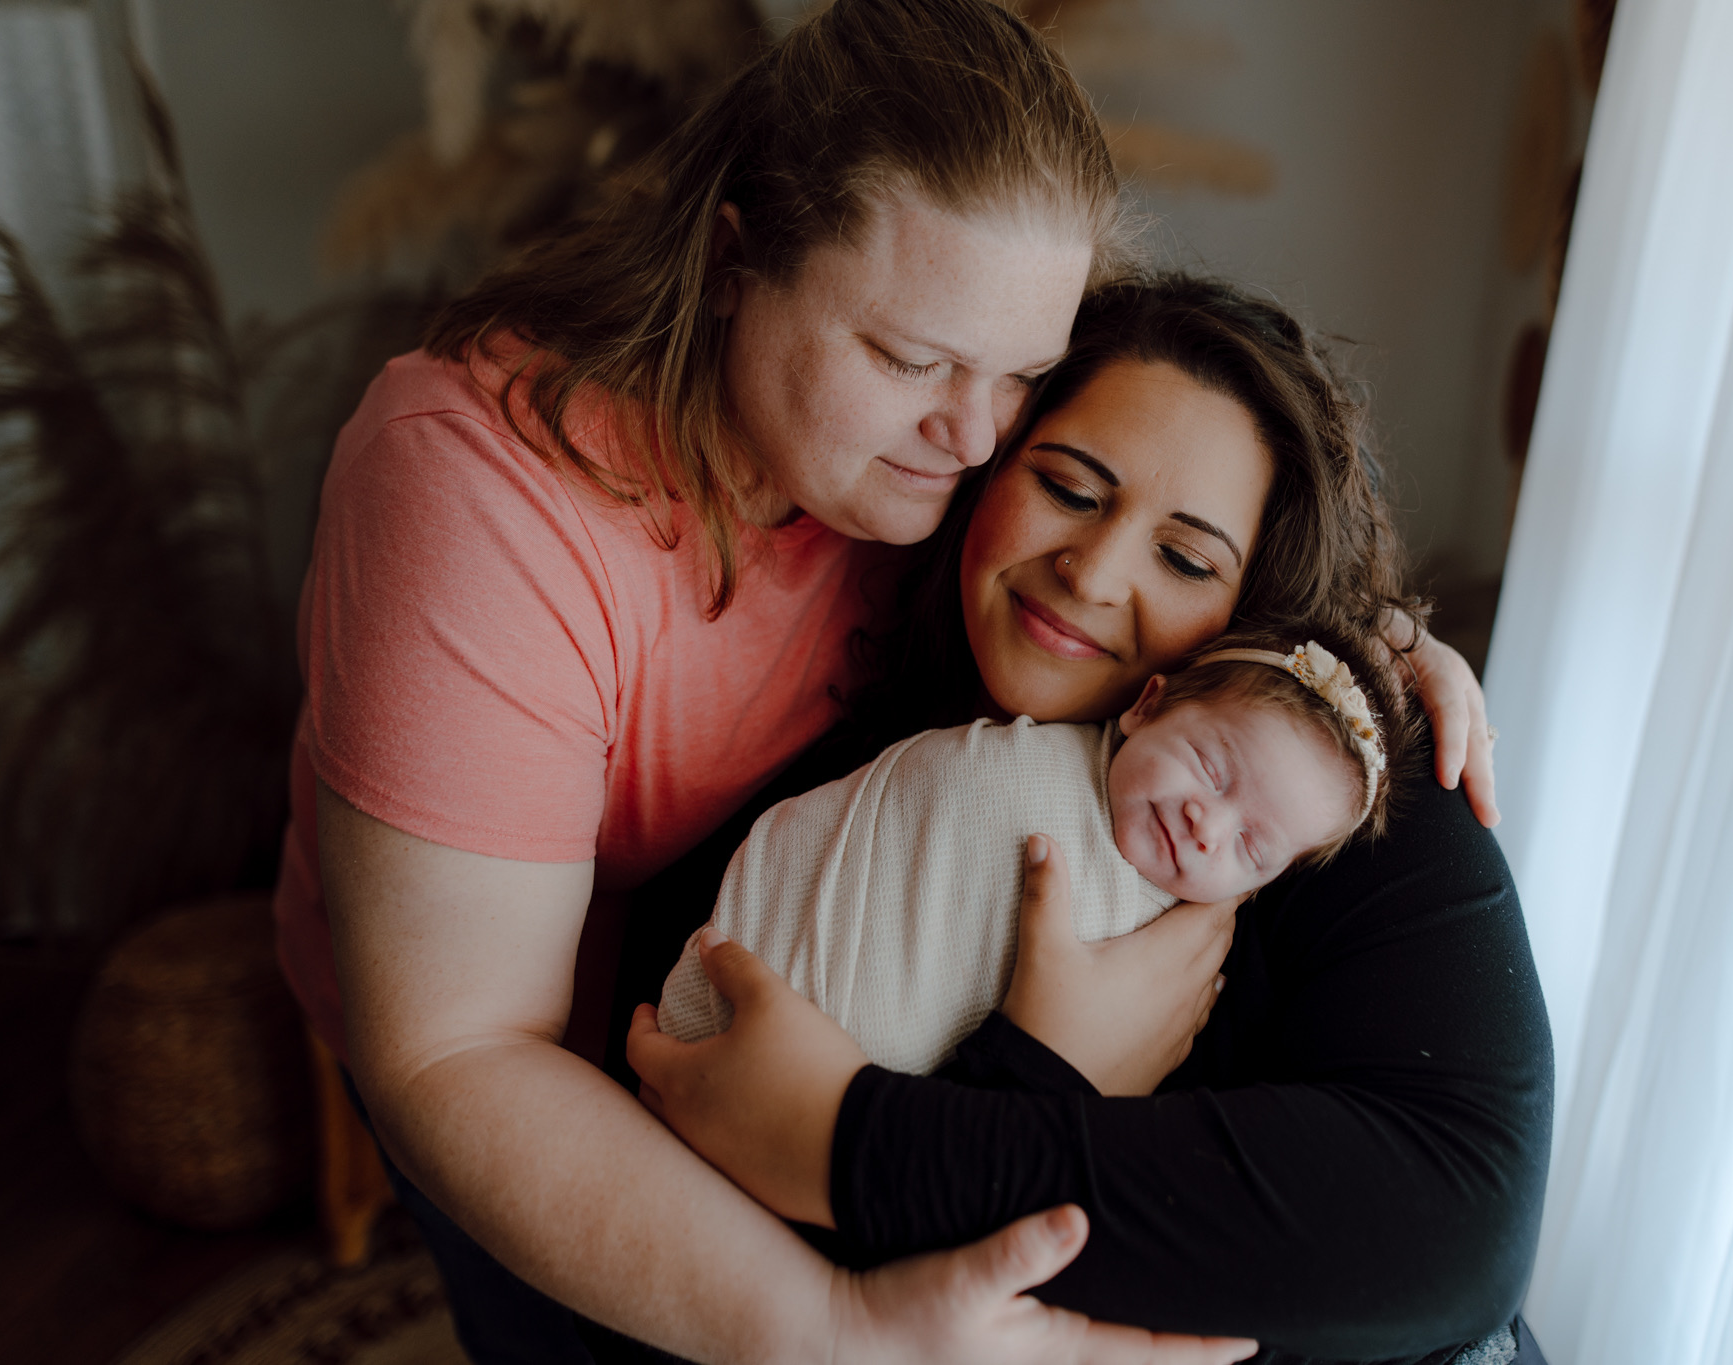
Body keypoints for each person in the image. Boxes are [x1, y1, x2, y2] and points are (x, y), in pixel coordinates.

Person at [619, 276, 1548, 1365]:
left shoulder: (1346, 790)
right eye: (1066, 488)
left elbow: (1451, 1235)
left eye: (1187, 558)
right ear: (986, 467)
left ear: (1254, 610)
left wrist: (847, 1143)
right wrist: (1030, 1069)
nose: (1093, 573)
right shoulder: (847, 802)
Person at [655, 623, 1409, 1076]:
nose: (1207, 825)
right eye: (1211, 768)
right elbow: (902, 820)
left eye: (1252, 844)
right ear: (1148, 705)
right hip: (752, 976)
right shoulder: (1017, 761)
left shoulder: (1171, 959)